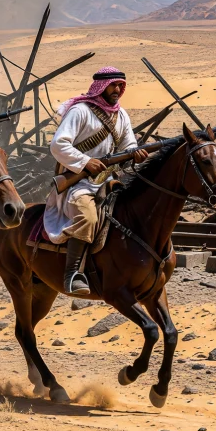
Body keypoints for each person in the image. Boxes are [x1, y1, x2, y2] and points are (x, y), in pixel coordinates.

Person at [43, 67, 150, 296]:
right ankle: (73, 274)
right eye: (114, 85)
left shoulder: (121, 115)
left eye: (121, 85)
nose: (118, 89)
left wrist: (135, 153)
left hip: (109, 181)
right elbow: (58, 145)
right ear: (101, 86)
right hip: (79, 184)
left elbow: (128, 146)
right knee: (88, 216)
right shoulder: (80, 111)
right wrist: (85, 162)